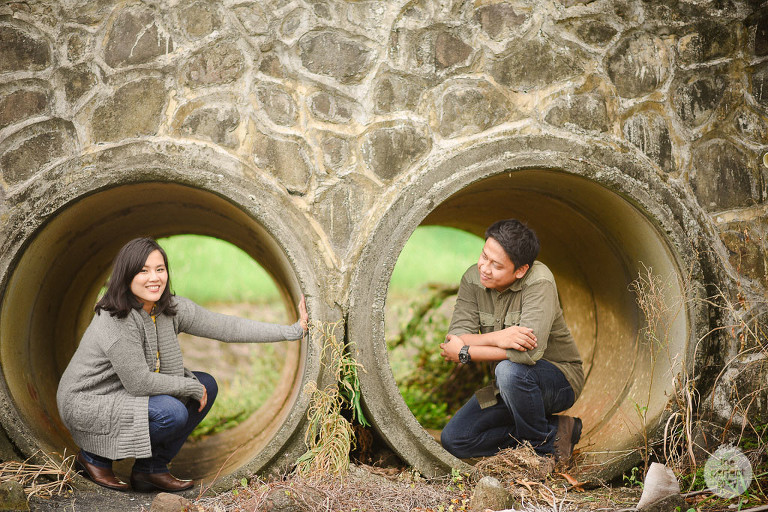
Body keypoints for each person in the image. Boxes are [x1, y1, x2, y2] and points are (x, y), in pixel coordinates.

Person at [56, 237, 308, 492]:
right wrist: (189, 387)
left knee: (206, 383)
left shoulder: (168, 309)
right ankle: (94, 458)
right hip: (89, 401)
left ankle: (151, 469)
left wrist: (292, 331)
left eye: (160, 269)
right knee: (172, 412)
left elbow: (226, 327)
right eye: (143, 271)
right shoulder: (115, 318)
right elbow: (139, 383)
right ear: (126, 275)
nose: (154, 278)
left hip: (125, 393)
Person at [439, 219, 584, 462]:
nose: (484, 268)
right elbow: (455, 338)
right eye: (484, 256)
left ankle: (540, 452)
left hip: (558, 380)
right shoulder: (473, 279)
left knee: (509, 371)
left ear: (520, 270)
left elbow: (528, 355)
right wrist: (500, 337)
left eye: (496, 265)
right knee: (456, 439)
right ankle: (556, 432)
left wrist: (466, 352)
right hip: (507, 387)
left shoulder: (540, 281)